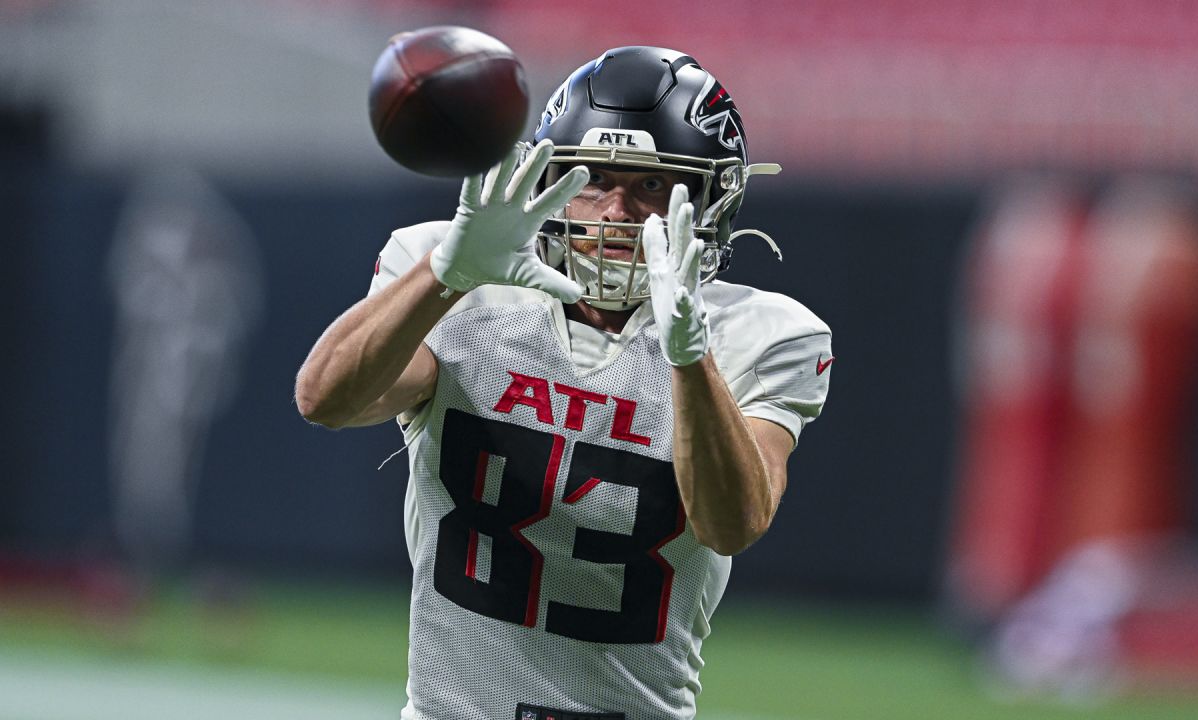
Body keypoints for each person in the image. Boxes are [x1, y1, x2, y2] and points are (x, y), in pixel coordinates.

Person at [296, 46, 832, 720]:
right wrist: (442, 276)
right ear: (547, 178)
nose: (615, 213)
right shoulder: (462, 278)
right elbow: (326, 400)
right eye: (594, 179)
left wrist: (690, 359)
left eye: (650, 187)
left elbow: (731, 523)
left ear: (709, 199)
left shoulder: (759, 333)